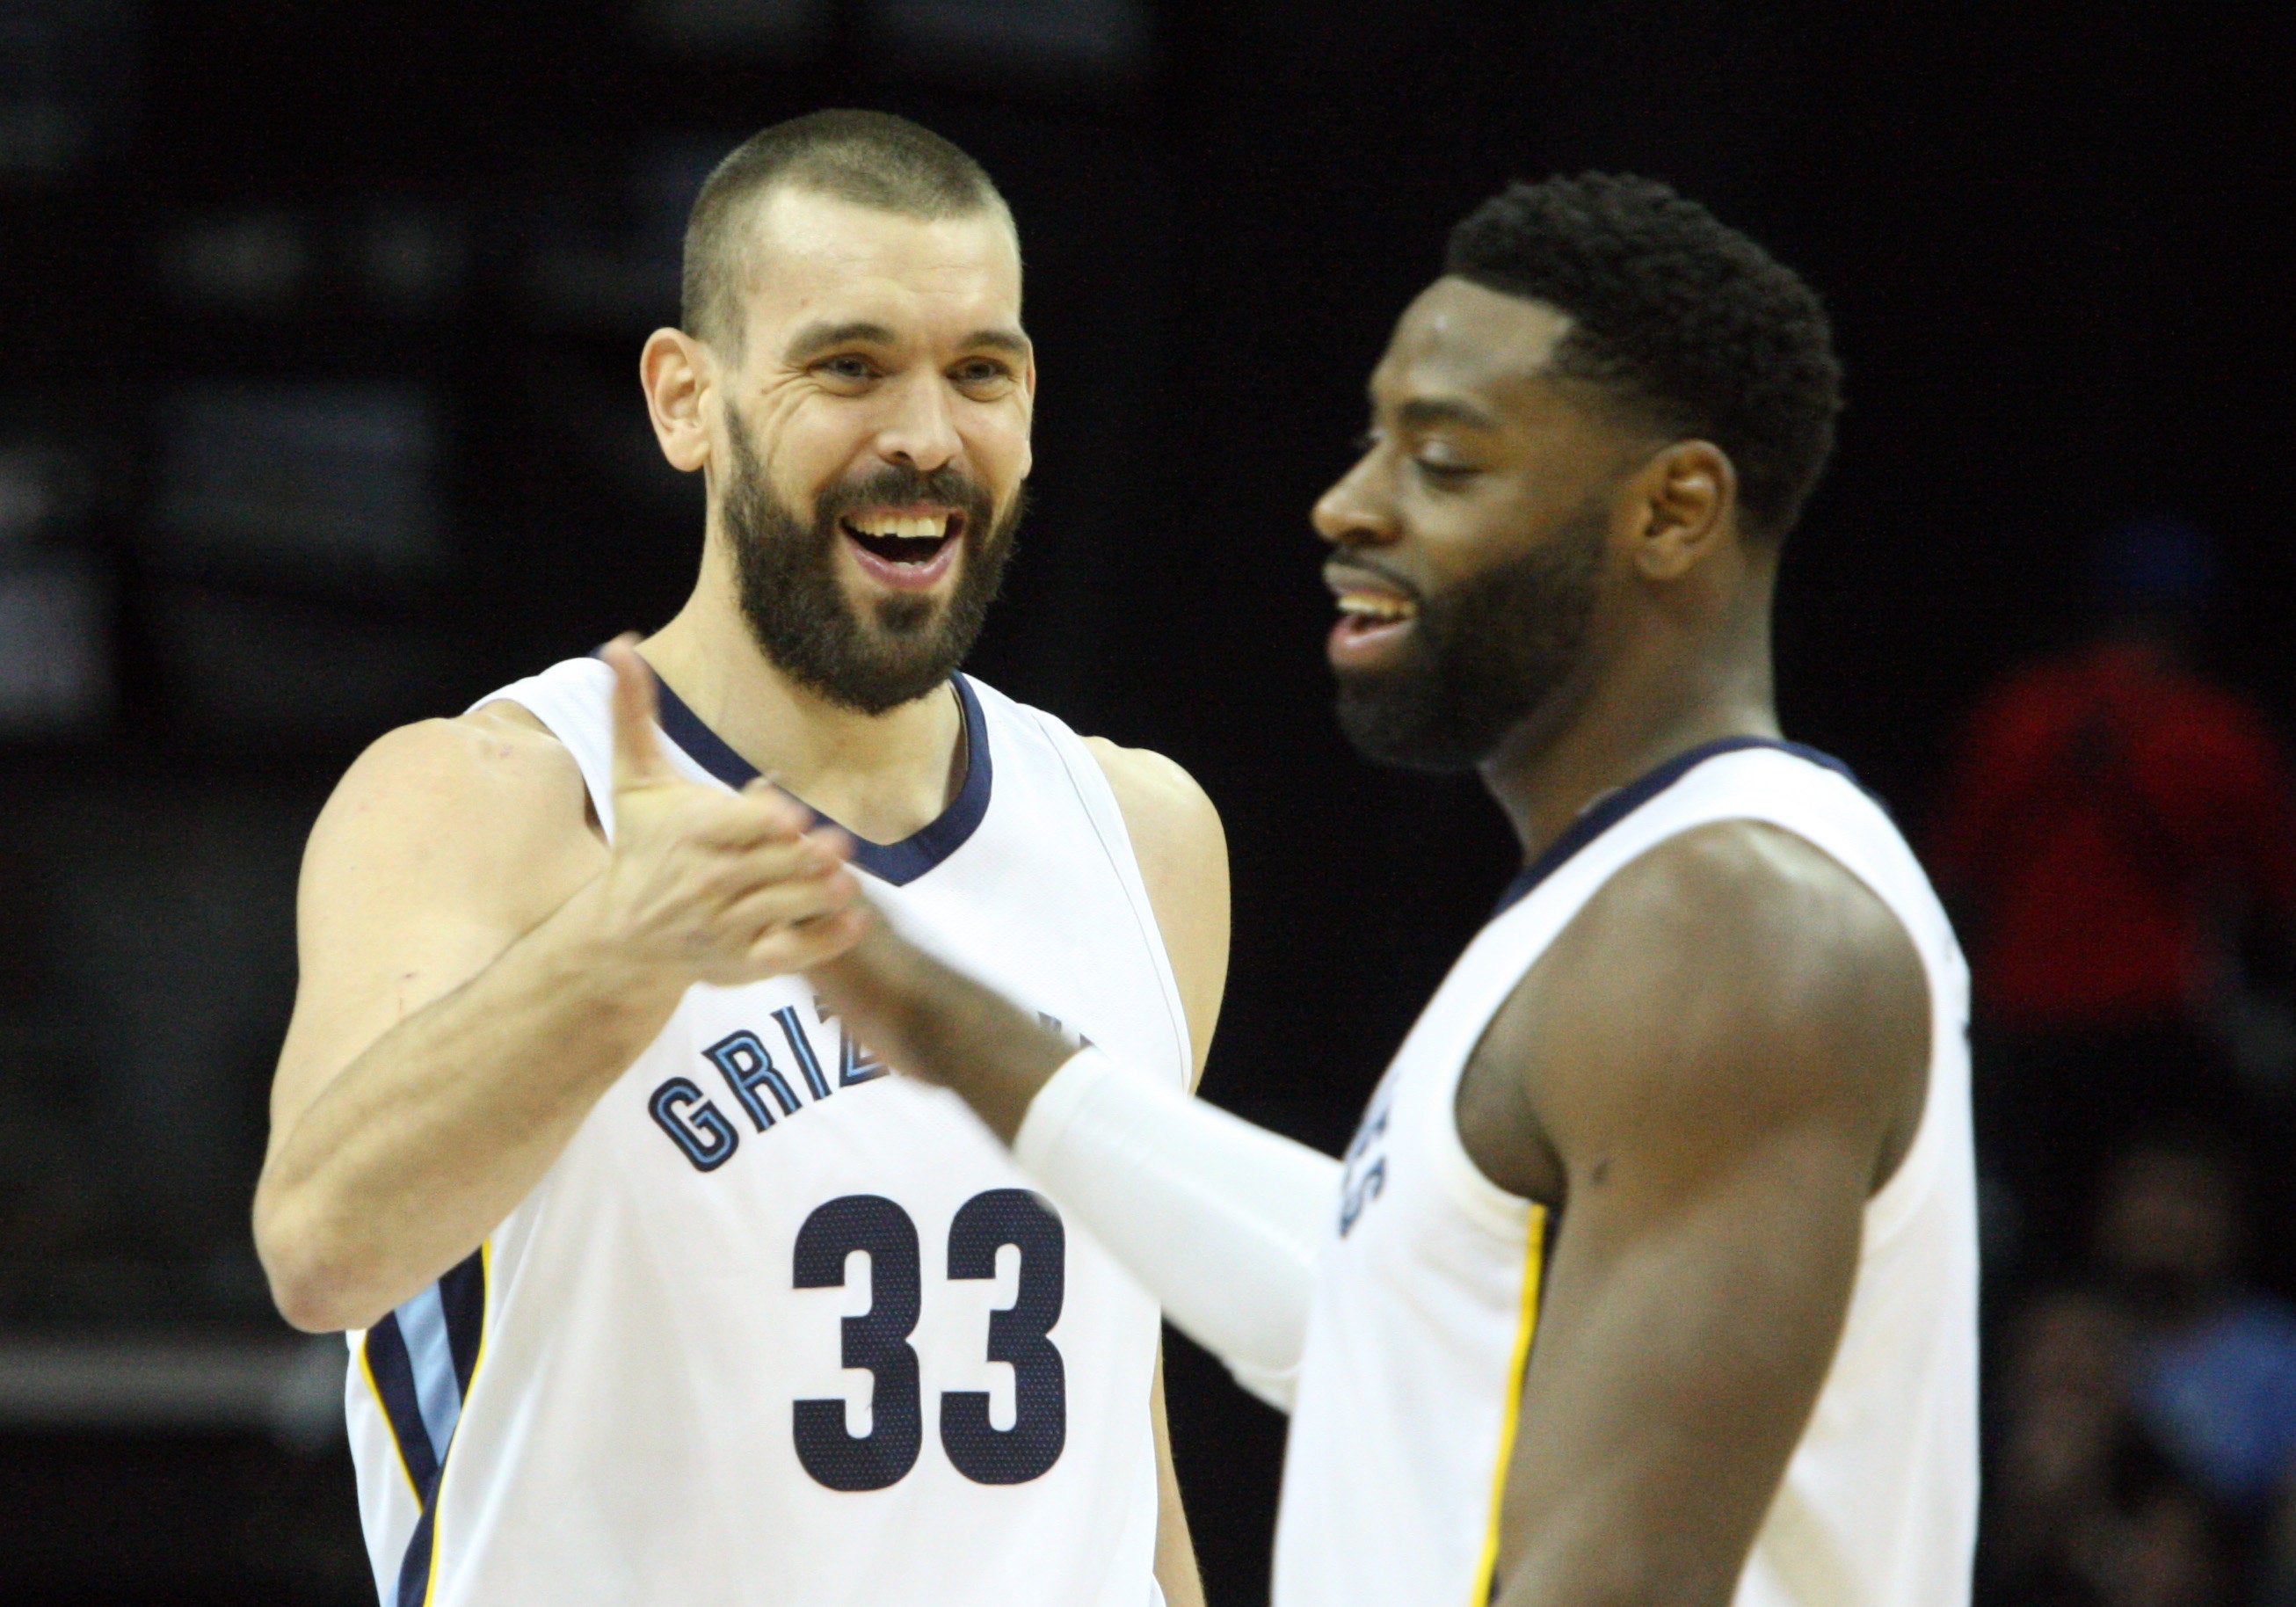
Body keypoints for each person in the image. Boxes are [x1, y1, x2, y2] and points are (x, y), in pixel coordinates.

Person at [787, 173, 1981, 1605]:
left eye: (1445, 461)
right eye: (1373, 441)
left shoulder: (1730, 924)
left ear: (1672, 513)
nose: (1349, 503)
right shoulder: (1634, 897)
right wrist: (916, 998)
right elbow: (1380, 1318)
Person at [251, 110, 1223, 1607]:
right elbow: (320, 1250)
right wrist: (618, 951)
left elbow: (1116, 1423)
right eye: (849, 366)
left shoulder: (1144, 836)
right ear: (684, 399)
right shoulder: (494, 796)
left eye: (982, 371)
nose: (923, 432)